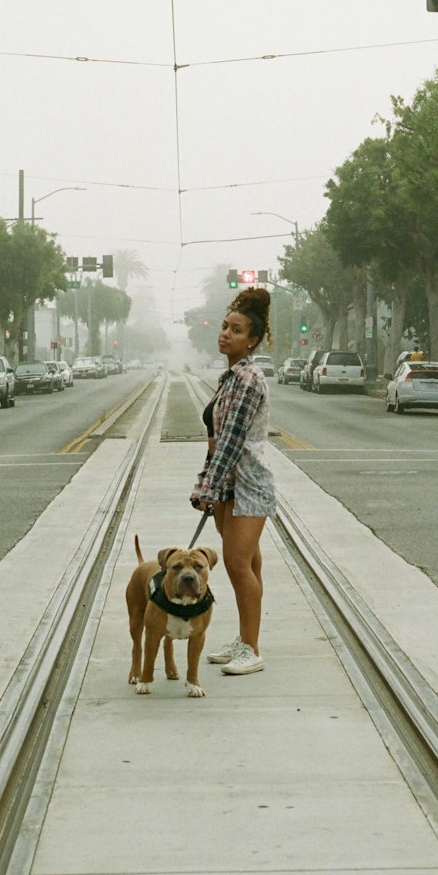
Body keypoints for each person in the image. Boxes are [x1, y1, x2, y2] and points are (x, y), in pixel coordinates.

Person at [190, 286, 276, 676]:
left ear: (252, 340)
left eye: (237, 330)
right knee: (248, 563)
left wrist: (207, 488)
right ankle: (244, 639)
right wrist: (208, 482)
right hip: (229, 483)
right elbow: (215, 443)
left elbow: (231, 440)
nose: (226, 334)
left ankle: (252, 648)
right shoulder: (230, 377)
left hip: (248, 483)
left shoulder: (247, 379)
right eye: (225, 327)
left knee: (237, 563)